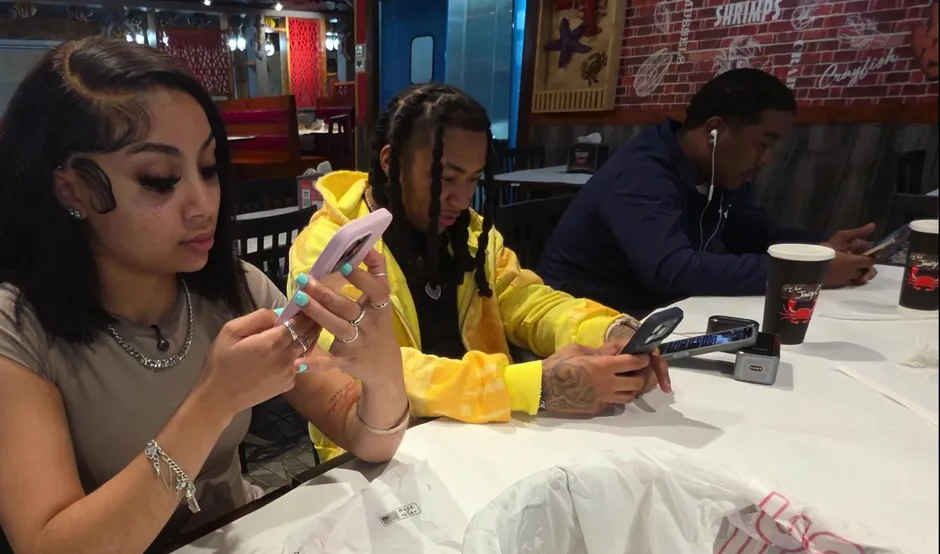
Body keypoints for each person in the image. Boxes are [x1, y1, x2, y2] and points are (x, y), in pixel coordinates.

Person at [0, 39, 409, 554]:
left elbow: (371, 440)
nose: (203, 204)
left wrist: (380, 366)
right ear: (72, 189)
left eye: (209, 168)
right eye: (159, 179)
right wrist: (213, 402)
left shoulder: (236, 288)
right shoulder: (9, 332)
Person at [289, 84, 671, 461]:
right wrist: (532, 385)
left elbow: (528, 302)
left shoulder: (471, 234)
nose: (462, 199)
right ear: (391, 162)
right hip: (380, 450)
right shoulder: (332, 246)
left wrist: (610, 332)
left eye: (473, 179)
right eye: (447, 178)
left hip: (483, 435)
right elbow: (367, 366)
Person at [537, 68, 877, 315]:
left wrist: (817, 252)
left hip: (657, 310)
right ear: (714, 131)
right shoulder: (640, 175)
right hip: (583, 320)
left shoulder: (719, 171)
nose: (767, 159)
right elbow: (673, 271)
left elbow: (754, 231)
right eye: (763, 143)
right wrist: (805, 273)